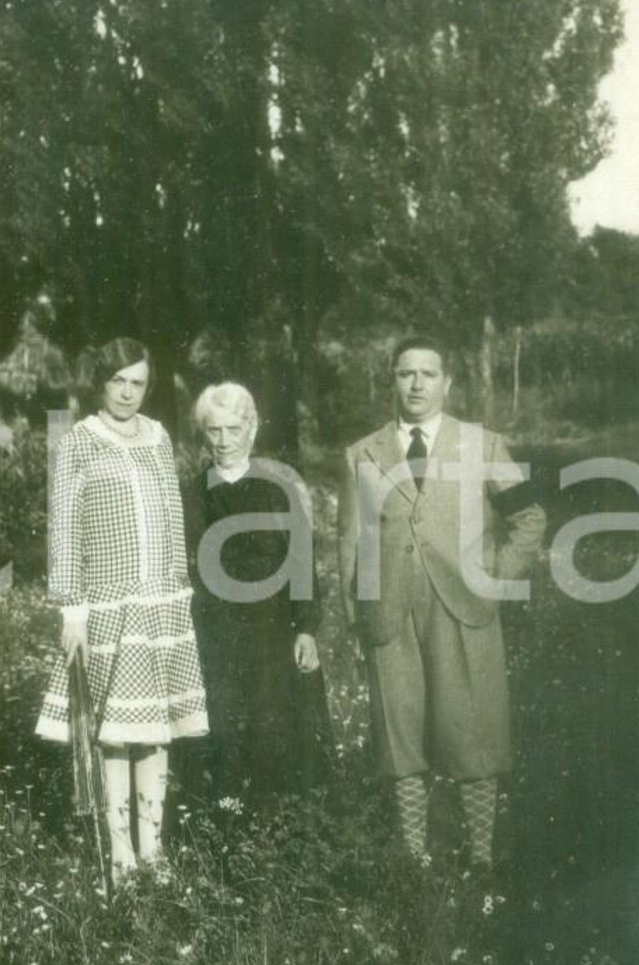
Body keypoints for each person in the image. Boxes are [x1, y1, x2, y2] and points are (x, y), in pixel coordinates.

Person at [338, 335, 546, 871]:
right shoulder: (362, 454)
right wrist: (355, 618)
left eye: (428, 374)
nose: (416, 384)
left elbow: (530, 520)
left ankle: (481, 860)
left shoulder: (483, 444)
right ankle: (415, 863)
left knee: (471, 732)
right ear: (391, 380)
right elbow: (350, 545)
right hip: (390, 614)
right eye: (406, 373)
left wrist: (493, 578)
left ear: (447, 383)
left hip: (464, 609)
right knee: (400, 737)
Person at [36, 338, 208, 882]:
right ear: (101, 383)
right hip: (107, 605)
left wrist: (177, 585)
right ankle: (120, 855)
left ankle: (153, 850)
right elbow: (63, 526)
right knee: (114, 733)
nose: (128, 392)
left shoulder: (158, 437)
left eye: (137, 382)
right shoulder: (80, 441)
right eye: (118, 381)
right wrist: (72, 609)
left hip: (159, 602)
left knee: (154, 732)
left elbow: (173, 515)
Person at [189, 382, 333, 808]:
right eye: (214, 430)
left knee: (279, 738)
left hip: (273, 634)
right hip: (216, 635)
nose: (224, 441)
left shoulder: (278, 489)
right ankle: (230, 837)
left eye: (233, 429)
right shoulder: (193, 492)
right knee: (226, 737)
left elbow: (302, 562)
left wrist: (306, 629)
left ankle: (282, 837)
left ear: (251, 429)